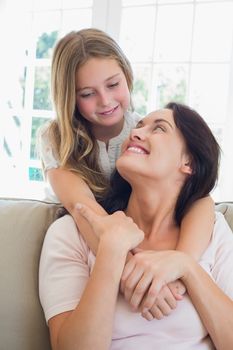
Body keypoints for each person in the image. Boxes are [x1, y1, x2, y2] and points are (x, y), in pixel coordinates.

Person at [38, 28, 214, 312]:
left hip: (133, 239)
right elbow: (85, 211)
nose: (105, 101)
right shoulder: (57, 139)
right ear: (69, 98)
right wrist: (136, 276)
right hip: (91, 237)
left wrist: (175, 272)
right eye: (87, 93)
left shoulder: (141, 132)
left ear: (127, 76)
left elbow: (202, 201)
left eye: (113, 84)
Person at [39, 102, 233, 349]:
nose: (136, 132)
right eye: (139, 126)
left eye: (160, 129)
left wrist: (186, 267)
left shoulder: (212, 233)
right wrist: (111, 252)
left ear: (189, 163)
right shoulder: (71, 232)